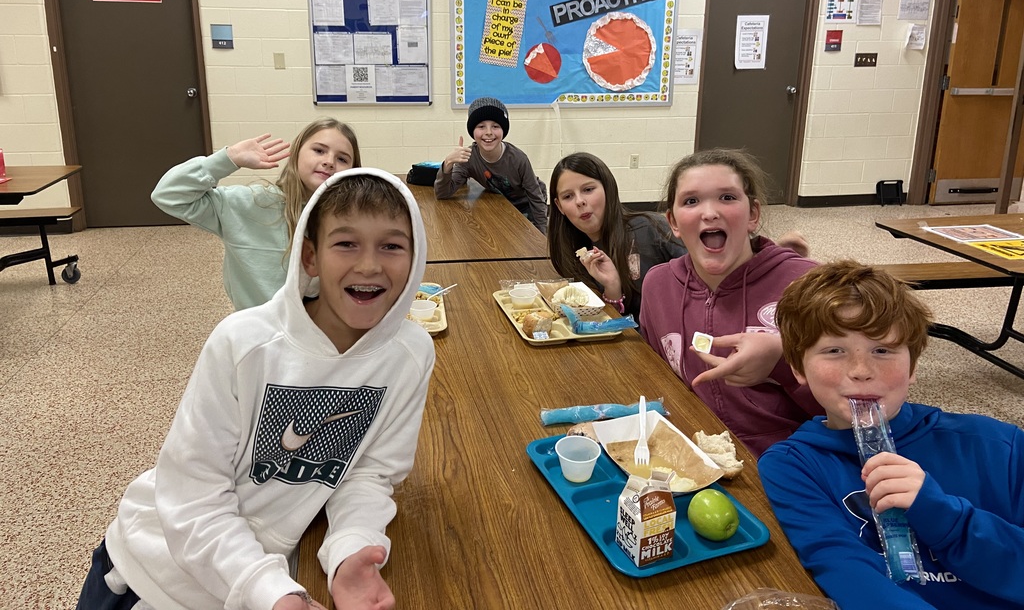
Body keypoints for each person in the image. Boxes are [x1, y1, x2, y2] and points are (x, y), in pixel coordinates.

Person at [77, 169, 435, 610]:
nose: (368, 265)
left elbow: (368, 472)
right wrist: (268, 589)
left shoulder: (410, 353)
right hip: (154, 576)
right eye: (345, 243)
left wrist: (351, 549)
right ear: (309, 258)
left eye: (392, 246)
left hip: (262, 579)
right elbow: (193, 493)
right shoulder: (243, 343)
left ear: (416, 257)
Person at [760, 260, 1024, 610]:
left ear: (913, 366)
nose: (861, 371)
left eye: (882, 349)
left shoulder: (999, 447)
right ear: (798, 368)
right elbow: (845, 569)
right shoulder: (792, 466)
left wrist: (946, 518)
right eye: (834, 350)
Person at [639, 148, 821, 456]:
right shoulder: (658, 285)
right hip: (691, 453)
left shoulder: (806, 285)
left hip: (791, 460)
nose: (709, 213)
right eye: (691, 201)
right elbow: (657, 381)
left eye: (727, 197)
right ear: (673, 222)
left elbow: (858, 406)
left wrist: (782, 359)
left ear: (753, 214)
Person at [152, 118, 361, 310]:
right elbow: (169, 195)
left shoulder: (352, 218)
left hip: (321, 329)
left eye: (342, 159)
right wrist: (228, 159)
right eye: (319, 150)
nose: (329, 161)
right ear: (296, 154)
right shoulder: (250, 203)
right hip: (258, 329)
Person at [548, 152, 686, 317]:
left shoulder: (651, 228)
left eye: (588, 189)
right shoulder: (572, 254)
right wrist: (612, 286)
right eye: (568, 196)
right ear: (559, 206)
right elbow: (609, 320)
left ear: (608, 188)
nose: (579, 201)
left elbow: (701, 285)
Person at [434, 96, 548, 233]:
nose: (488, 132)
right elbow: (442, 193)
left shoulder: (518, 159)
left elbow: (536, 198)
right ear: (472, 131)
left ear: (503, 131)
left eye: (495, 126)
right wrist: (448, 163)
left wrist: (542, 235)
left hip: (527, 204)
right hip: (502, 205)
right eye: (481, 126)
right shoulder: (468, 158)